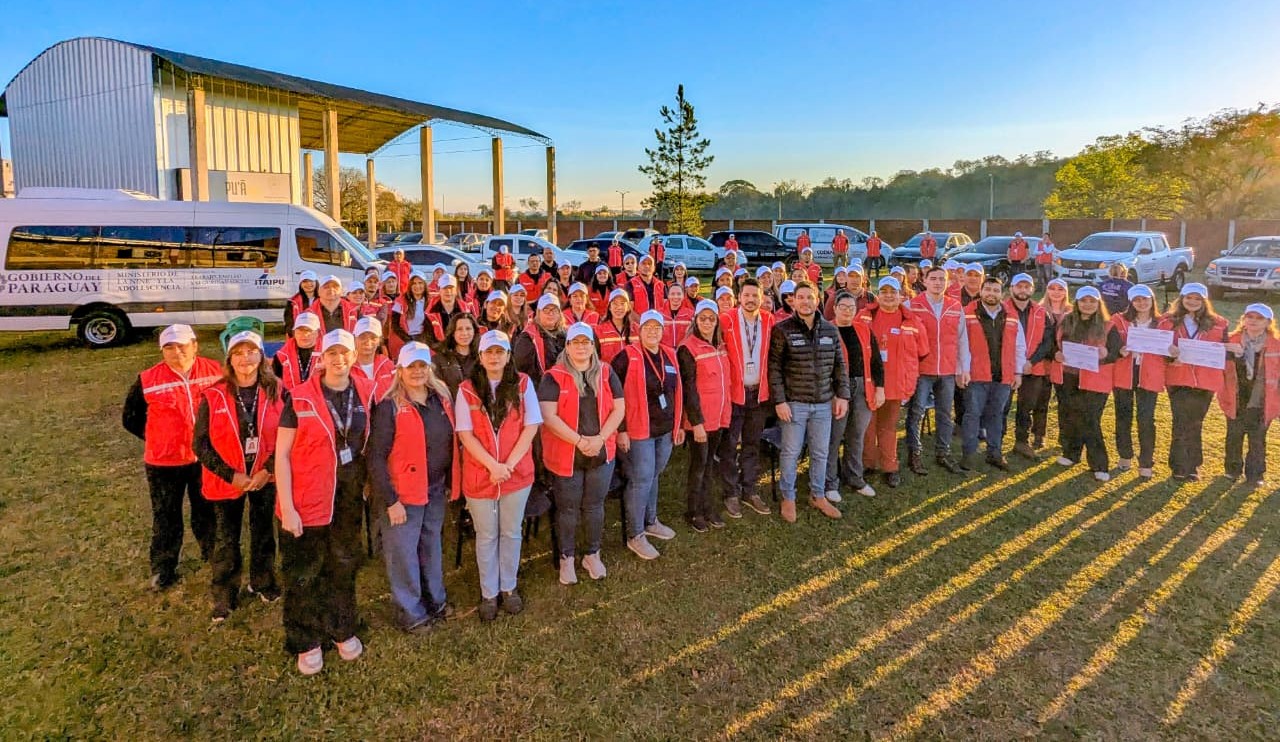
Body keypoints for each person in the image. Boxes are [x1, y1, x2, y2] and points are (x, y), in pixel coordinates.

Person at [274, 329, 376, 676]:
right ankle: (306, 639)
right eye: (331, 353)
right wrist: (288, 507)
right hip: (307, 499)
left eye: (344, 352)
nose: (338, 359)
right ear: (322, 357)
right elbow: (282, 455)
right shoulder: (300, 397)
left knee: (342, 564)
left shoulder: (365, 390)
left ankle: (341, 627)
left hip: (347, 497)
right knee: (304, 572)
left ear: (353, 356)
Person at [367, 342, 458, 633]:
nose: (417, 371)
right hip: (402, 494)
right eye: (411, 367)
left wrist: (451, 481)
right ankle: (410, 611)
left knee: (431, 545)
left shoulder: (441, 398)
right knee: (403, 554)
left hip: (434, 487)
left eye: (422, 366)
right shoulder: (389, 406)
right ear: (400, 371)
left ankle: (435, 600)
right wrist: (390, 500)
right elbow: (376, 457)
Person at [194, 329, 284, 621]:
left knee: (263, 532)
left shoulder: (278, 390)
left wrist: (268, 469)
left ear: (262, 356)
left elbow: (289, 435)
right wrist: (230, 475)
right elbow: (200, 444)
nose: (245, 358)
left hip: (264, 476)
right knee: (225, 538)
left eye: (251, 351)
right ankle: (225, 593)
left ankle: (263, 581)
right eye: (238, 353)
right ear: (229, 359)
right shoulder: (214, 394)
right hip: (226, 479)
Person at [122, 324, 220, 590]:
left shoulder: (215, 371)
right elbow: (130, 418)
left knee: (207, 510)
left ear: (195, 346)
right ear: (162, 351)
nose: (177, 352)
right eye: (169, 347)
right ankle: (163, 568)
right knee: (166, 515)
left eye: (182, 345)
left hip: (205, 459)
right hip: (164, 463)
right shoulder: (147, 379)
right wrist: (158, 438)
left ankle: (212, 553)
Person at [455, 331, 542, 620]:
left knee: (511, 532)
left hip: (516, 474)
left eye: (499, 352)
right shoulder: (467, 389)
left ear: (508, 356)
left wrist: (508, 466)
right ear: (480, 357)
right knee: (486, 534)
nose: (494, 357)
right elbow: (466, 434)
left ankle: (509, 587)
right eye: (489, 352)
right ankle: (489, 592)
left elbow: (531, 426)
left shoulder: (523, 384)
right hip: (481, 475)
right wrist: (493, 466)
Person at [538, 323, 625, 584]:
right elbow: (548, 416)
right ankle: (567, 557)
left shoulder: (606, 372)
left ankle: (592, 553)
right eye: (575, 342)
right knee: (568, 508)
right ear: (567, 346)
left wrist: (599, 439)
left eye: (586, 342)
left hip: (600, 452)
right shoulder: (553, 377)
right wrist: (579, 441)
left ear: (593, 346)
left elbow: (619, 409)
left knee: (594, 505)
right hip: (567, 454)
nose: (581, 347)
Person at [768, 281, 849, 522]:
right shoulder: (782, 329)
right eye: (800, 297)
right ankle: (788, 496)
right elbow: (774, 369)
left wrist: (842, 395)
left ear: (817, 300)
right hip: (794, 403)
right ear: (793, 301)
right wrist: (780, 401)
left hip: (823, 403)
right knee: (791, 452)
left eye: (810, 297)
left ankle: (817, 495)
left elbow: (839, 365)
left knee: (820, 452)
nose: (805, 302)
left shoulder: (830, 330)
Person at [611, 310, 684, 559]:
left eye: (657, 327)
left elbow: (677, 391)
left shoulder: (670, 354)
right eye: (647, 327)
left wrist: (679, 425)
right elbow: (613, 395)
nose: (652, 331)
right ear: (639, 330)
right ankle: (635, 534)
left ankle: (651, 521)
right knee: (641, 479)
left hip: (665, 429)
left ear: (663, 330)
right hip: (639, 430)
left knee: (653, 475)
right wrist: (621, 430)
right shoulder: (626, 356)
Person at [855, 277, 925, 488]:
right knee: (868, 426)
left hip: (894, 384)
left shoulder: (911, 320)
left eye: (892, 292)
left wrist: (908, 378)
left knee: (888, 427)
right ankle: (868, 463)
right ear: (878, 295)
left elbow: (922, 352)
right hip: (870, 383)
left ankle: (890, 467)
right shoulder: (865, 316)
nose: (888, 296)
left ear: (900, 295)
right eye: (884, 291)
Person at [1160, 283, 1230, 481]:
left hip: (1205, 381)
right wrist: (1169, 354)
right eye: (1188, 297)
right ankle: (1179, 466)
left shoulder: (1219, 323)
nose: (1192, 302)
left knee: (1196, 423)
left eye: (1197, 299)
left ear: (1204, 301)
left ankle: (1193, 465)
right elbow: (1159, 347)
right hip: (1178, 378)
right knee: (1181, 422)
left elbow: (1223, 350)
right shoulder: (1167, 320)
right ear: (1181, 299)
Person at [717, 278, 775, 517]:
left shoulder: (770, 321)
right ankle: (731, 492)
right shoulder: (726, 319)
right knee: (730, 444)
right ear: (739, 297)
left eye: (755, 295)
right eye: (746, 295)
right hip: (734, 393)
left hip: (759, 393)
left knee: (752, 443)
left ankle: (749, 489)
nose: (751, 300)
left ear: (762, 298)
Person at [958, 278, 1026, 471]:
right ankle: (969, 454)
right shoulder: (967, 313)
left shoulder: (1011, 315)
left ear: (1002, 294)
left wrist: (1018, 371)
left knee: (997, 415)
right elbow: (960, 344)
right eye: (987, 289)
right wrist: (962, 370)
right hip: (976, 375)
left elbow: (1020, 346)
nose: (991, 293)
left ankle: (994, 453)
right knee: (972, 415)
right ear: (981, 291)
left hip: (1003, 376)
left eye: (996, 290)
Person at [904, 266, 966, 474]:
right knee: (916, 411)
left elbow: (962, 340)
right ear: (925, 280)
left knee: (945, 413)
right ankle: (915, 453)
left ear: (947, 282)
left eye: (942, 279)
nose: (938, 282)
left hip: (947, 369)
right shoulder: (912, 305)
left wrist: (962, 368)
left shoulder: (955, 306)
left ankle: (943, 452)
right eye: (934, 279)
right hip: (922, 369)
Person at [677, 300, 733, 532]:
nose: (707, 323)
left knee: (710, 464)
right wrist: (696, 422)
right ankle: (694, 511)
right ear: (696, 320)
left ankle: (708, 506)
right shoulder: (687, 348)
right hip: (700, 420)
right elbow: (688, 388)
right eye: (703, 318)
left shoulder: (721, 345)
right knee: (699, 465)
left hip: (719, 416)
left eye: (711, 318)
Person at [826, 290, 884, 500]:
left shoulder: (864, 329)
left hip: (862, 387)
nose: (848, 311)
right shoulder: (826, 330)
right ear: (835, 308)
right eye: (843, 307)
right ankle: (830, 482)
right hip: (836, 390)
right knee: (834, 437)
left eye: (852, 307)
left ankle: (854, 477)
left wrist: (880, 387)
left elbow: (876, 361)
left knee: (856, 435)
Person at [1054, 286, 1116, 480]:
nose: (1087, 305)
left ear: (1098, 304)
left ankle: (1100, 464)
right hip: (1070, 376)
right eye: (1083, 301)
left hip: (1095, 379)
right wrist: (1056, 354)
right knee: (1072, 415)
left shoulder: (1108, 325)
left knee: (1090, 420)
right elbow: (1054, 344)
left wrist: (1106, 355)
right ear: (1077, 303)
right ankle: (1071, 454)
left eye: (1092, 301)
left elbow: (1116, 351)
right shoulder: (1066, 321)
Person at [1219, 303, 1280, 487]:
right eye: (1250, 317)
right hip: (1235, 397)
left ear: (1268, 322)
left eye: (1259, 318)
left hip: (1263, 400)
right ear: (1243, 320)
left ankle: (1255, 474)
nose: (1253, 321)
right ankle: (1232, 470)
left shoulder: (1276, 344)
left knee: (1258, 438)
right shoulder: (1230, 340)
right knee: (1234, 435)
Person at [1110, 285, 1164, 478]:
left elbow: (1169, 346)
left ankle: (1146, 462)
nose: (1141, 303)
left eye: (1145, 299)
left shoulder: (1162, 322)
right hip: (1125, 372)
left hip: (1149, 373)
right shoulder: (1118, 320)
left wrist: (1173, 352)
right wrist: (1119, 350)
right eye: (1137, 300)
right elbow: (1110, 344)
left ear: (1152, 300)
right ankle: (1125, 455)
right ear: (1131, 302)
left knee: (1146, 418)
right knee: (1123, 416)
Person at [1005, 274, 1054, 460]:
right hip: (1007, 367)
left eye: (1027, 287)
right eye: (1019, 286)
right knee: (1002, 406)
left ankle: (1021, 442)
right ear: (1011, 288)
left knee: (1026, 407)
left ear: (1032, 289)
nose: (1023, 290)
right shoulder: (1002, 309)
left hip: (1033, 368)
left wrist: (1031, 361)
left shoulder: (1042, 312)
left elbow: (1047, 341)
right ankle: (997, 441)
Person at [514, 294, 566, 385]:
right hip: (540, 387)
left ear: (559, 313)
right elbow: (523, 371)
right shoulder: (528, 338)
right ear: (538, 313)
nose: (550, 313)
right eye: (546, 310)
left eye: (554, 310)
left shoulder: (566, 335)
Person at [350, 317, 395, 401]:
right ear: (354, 339)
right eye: (362, 337)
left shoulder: (389, 366)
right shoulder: (347, 367)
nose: (368, 342)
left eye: (373, 338)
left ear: (379, 341)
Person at [434, 314, 480, 396]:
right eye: (459, 329)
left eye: (468, 329)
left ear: (474, 331)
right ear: (453, 332)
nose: (464, 333)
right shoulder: (440, 358)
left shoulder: (481, 358)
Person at [390, 271, 432, 360]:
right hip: (405, 339)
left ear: (424, 284)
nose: (417, 286)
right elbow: (395, 324)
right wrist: (408, 340)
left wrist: (424, 338)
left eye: (420, 283)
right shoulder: (401, 301)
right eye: (414, 283)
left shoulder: (430, 301)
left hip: (423, 339)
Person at [273, 312, 321, 390]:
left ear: (318, 332)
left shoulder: (327, 353)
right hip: (289, 396)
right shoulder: (281, 355)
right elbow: (274, 382)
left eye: (309, 330)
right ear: (294, 332)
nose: (305, 334)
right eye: (300, 330)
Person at [596, 289, 636, 364]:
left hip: (632, 371)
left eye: (622, 303)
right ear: (609, 307)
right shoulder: (599, 331)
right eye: (615, 304)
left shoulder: (637, 330)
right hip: (608, 371)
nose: (619, 307)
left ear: (628, 307)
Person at [426, 275, 468, 343]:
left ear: (456, 290)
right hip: (438, 347)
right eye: (445, 288)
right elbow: (428, 337)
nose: (448, 291)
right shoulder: (430, 311)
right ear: (439, 290)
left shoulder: (466, 310)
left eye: (451, 288)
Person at [659, 282, 694, 349]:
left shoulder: (691, 314)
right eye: (672, 294)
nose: (676, 297)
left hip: (683, 351)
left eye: (679, 294)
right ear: (668, 296)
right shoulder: (659, 314)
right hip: (664, 351)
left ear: (683, 296)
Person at [284, 271, 319, 336]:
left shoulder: (324, 299)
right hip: (300, 337)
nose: (308, 284)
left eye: (311, 281)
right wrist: (294, 334)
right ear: (301, 284)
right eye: (305, 281)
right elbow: (289, 323)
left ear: (316, 282)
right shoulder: (292, 302)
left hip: (320, 336)